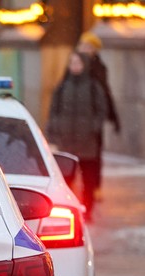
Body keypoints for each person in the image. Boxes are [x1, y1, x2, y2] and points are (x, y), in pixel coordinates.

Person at [46, 51, 109, 218]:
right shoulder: (62, 86)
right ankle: (69, 209)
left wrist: (93, 128)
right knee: (66, 179)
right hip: (66, 141)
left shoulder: (93, 86)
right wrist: (55, 131)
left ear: (84, 65)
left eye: (77, 63)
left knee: (88, 179)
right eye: (72, 62)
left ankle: (87, 210)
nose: (74, 66)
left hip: (87, 142)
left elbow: (101, 110)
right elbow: (53, 111)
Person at [77, 31, 120, 134]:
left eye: (88, 46)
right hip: (74, 115)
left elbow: (104, 92)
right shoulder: (73, 65)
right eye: (82, 45)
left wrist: (113, 116)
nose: (83, 49)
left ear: (94, 50)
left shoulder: (98, 68)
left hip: (91, 116)